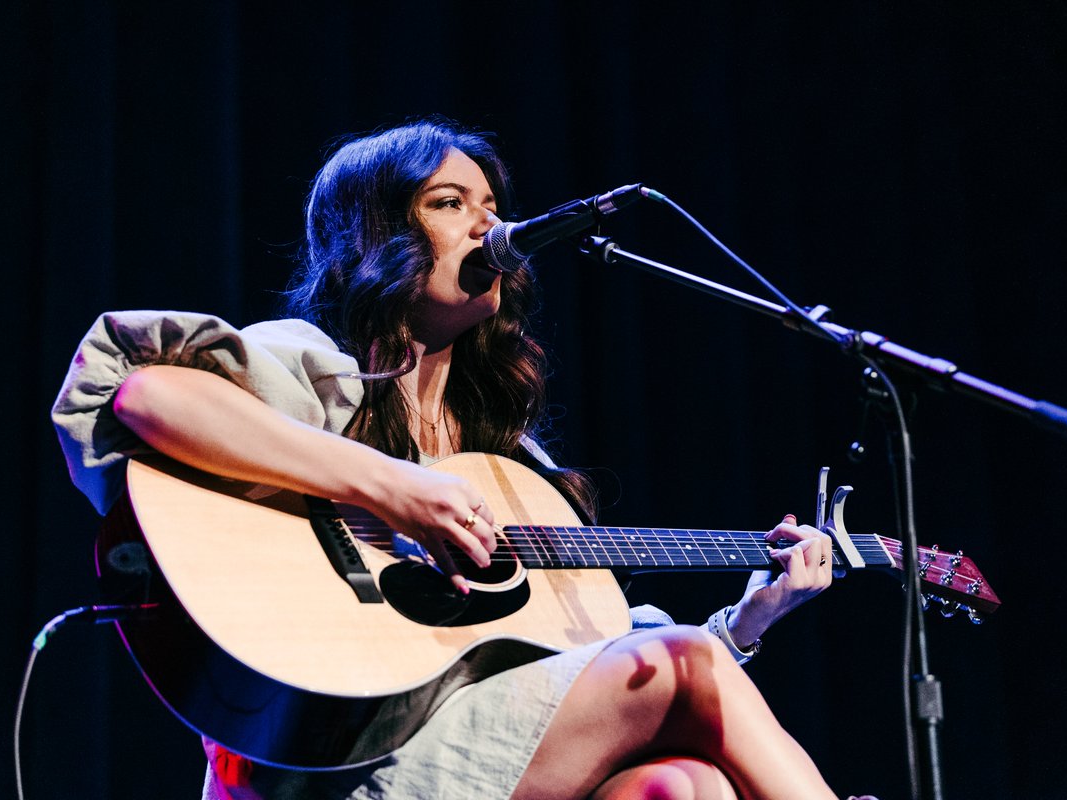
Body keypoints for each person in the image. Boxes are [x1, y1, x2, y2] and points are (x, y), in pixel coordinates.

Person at [53, 119, 872, 800]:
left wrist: (750, 621)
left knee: (686, 787)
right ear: (376, 235)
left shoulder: (512, 465)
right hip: (336, 755)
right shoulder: (314, 368)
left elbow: (585, 661)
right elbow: (146, 397)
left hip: (476, 742)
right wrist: (394, 486)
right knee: (680, 664)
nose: (489, 228)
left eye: (492, 206)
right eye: (450, 204)